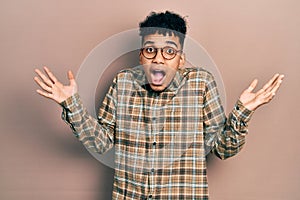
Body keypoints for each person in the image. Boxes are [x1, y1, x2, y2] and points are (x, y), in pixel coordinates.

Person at [34, 11, 284, 199]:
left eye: (169, 51)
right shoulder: (123, 82)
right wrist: (71, 104)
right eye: (150, 50)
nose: (159, 59)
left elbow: (222, 149)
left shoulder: (201, 83)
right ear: (141, 54)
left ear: (181, 59)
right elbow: (102, 143)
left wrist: (244, 112)